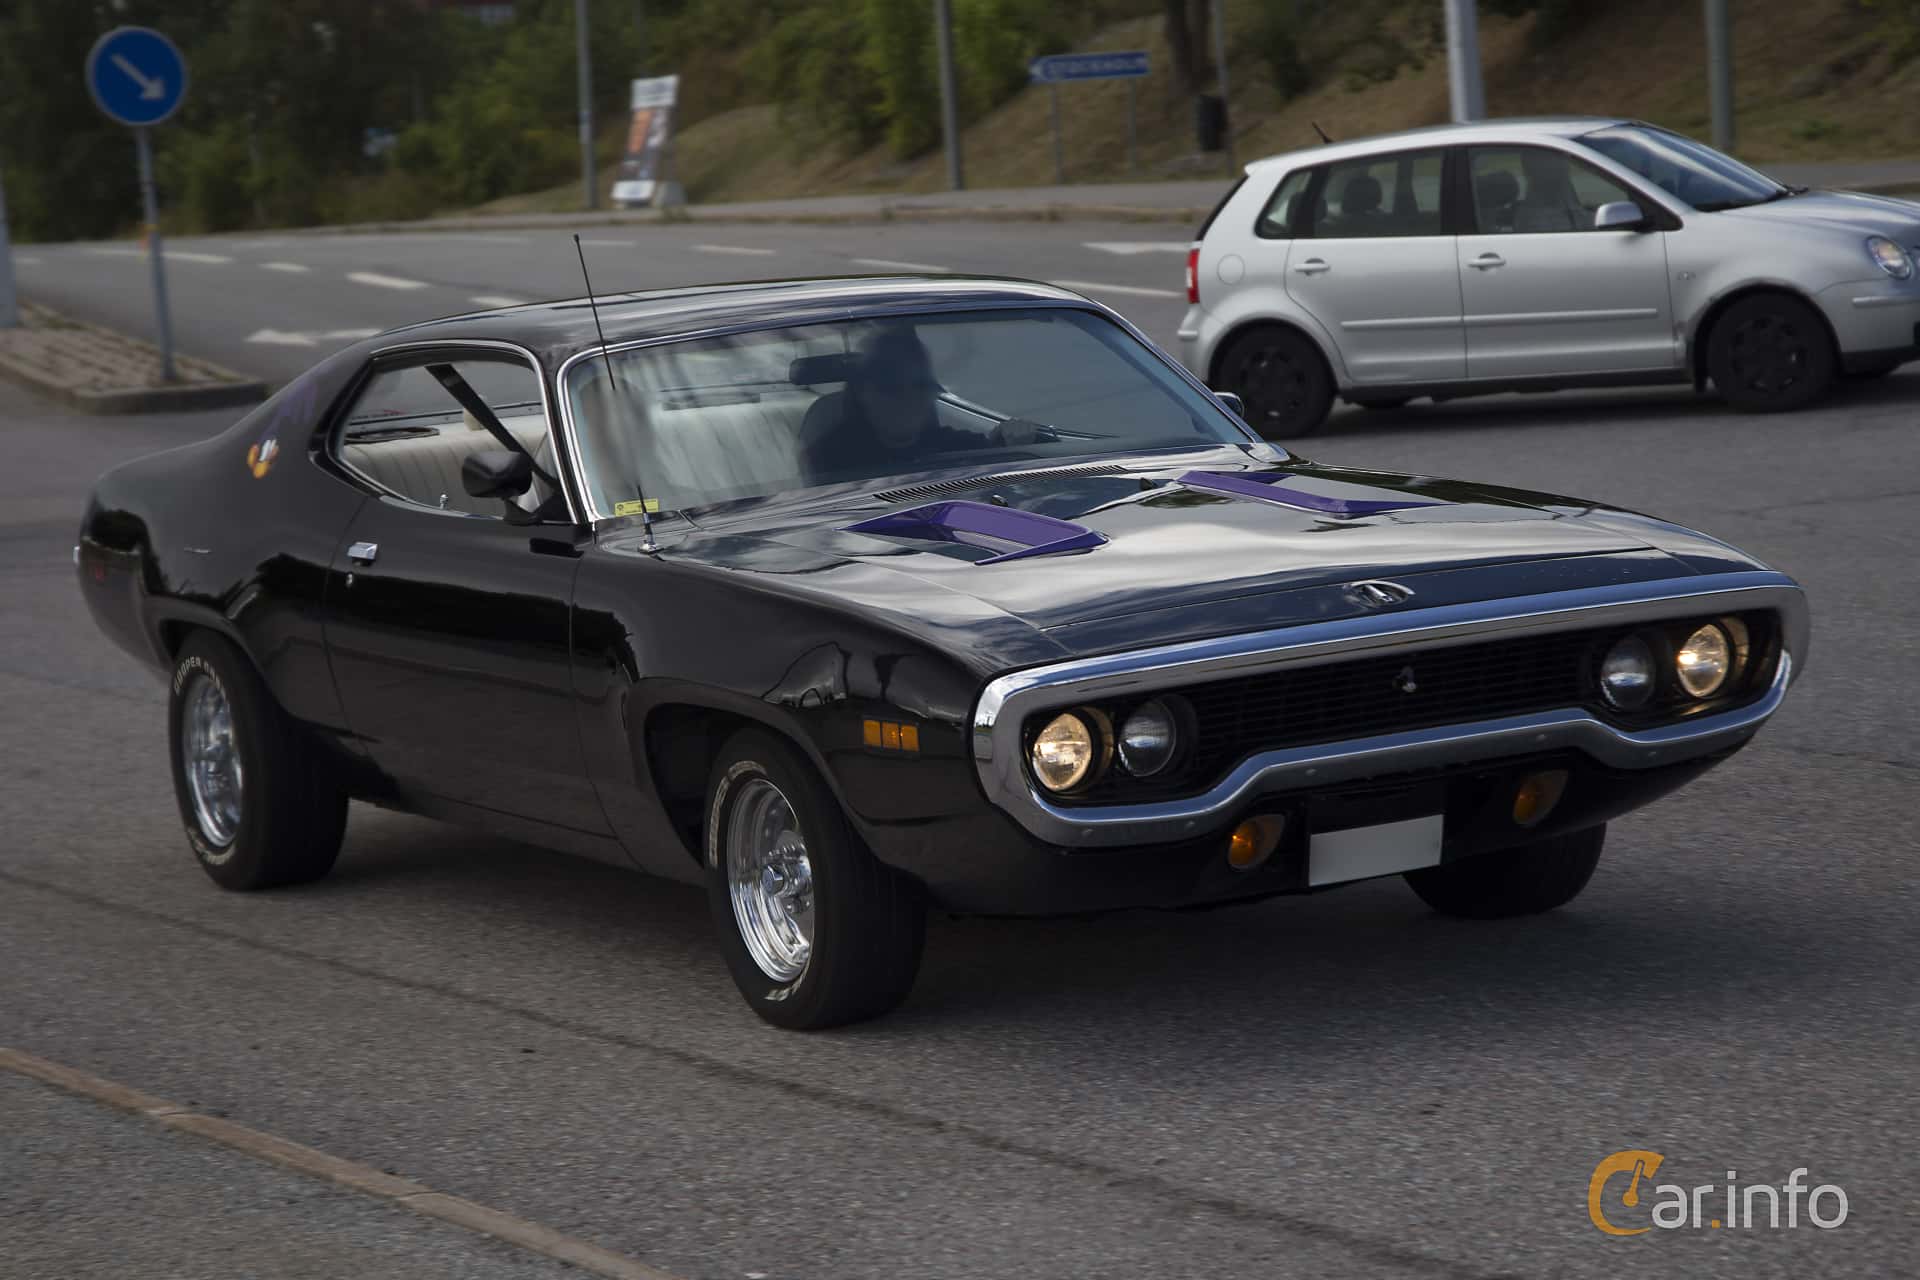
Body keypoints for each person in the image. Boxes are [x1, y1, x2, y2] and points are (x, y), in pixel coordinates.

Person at [800, 327, 1036, 480]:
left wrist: (1010, 440)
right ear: (864, 392)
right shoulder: (831, 455)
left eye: (921, 386)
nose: (909, 398)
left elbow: (990, 460)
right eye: (892, 388)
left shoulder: (953, 445)